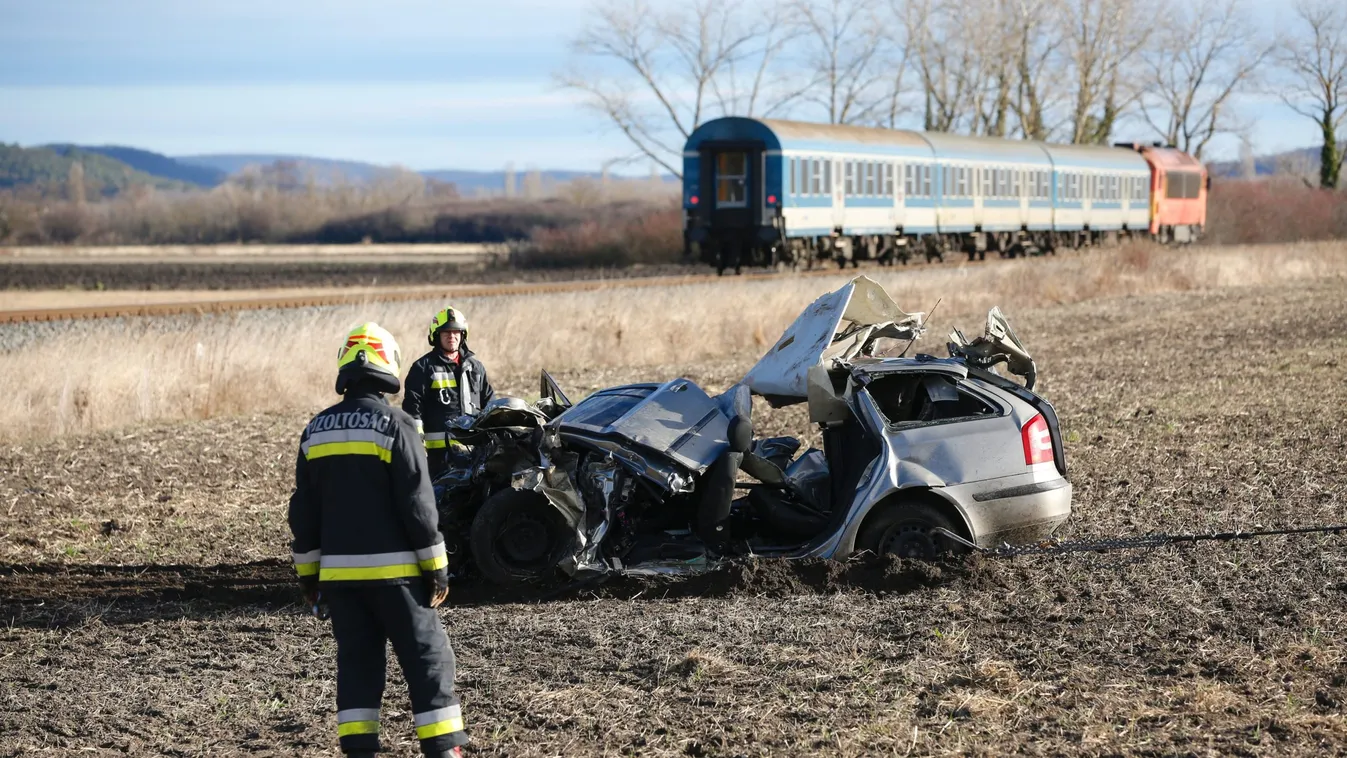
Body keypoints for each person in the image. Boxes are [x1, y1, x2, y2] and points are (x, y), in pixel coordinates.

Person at [288, 322, 468, 758]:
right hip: (398, 580)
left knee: (357, 667)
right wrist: (437, 569)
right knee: (429, 662)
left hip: (341, 583)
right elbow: (419, 506)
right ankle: (444, 751)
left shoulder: (315, 431)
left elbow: (303, 514)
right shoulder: (398, 425)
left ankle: (359, 751)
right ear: (388, 366)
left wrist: (309, 578)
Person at [403, 306, 495, 478]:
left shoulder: (476, 368)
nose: (451, 336)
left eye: (456, 332)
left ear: (462, 335)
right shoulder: (423, 368)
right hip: (437, 458)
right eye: (446, 332)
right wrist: (417, 447)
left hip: (475, 453)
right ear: (436, 335)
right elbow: (412, 411)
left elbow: (490, 405)